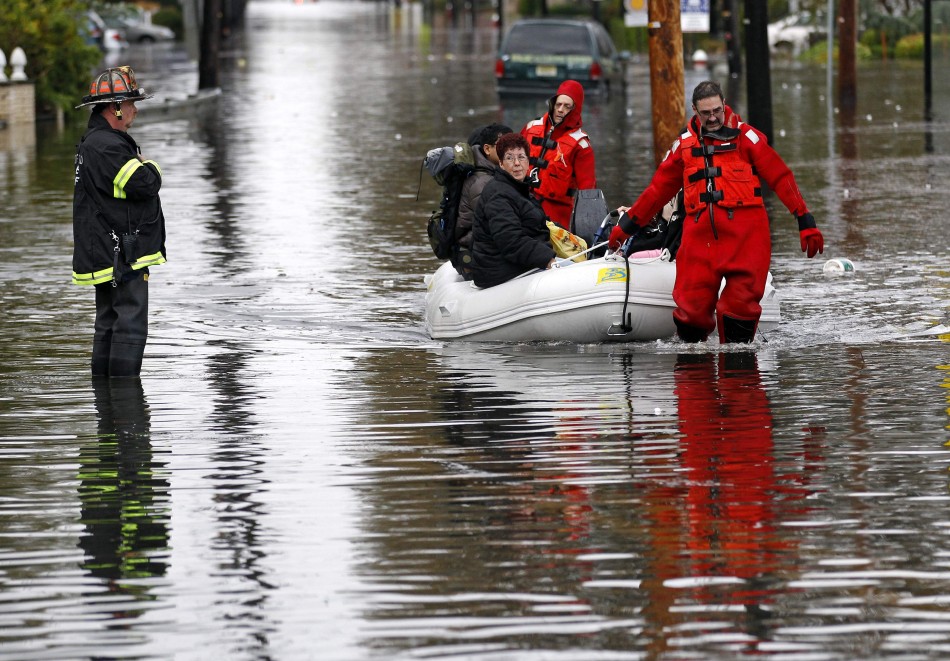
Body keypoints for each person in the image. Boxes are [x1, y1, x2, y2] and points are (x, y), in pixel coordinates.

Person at [609, 80, 824, 344]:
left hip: (746, 241)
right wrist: (625, 228)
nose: (712, 118)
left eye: (717, 111)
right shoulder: (683, 147)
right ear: (694, 111)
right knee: (690, 314)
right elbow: (656, 193)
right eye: (705, 113)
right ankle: (693, 364)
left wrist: (804, 219)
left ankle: (737, 365)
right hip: (700, 244)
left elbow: (781, 177)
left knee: (739, 312)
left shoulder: (747, 138)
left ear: (724, 104)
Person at [72, 66, 167, 376]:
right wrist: (151, 165)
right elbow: (145, 183)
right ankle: (126, 400)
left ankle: (106, 397)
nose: (135, 110)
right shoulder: (109, 146)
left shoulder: (95, 141)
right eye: (130, 103)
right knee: (130, 323)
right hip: (121, 255)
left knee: (108, 322)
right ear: (114, 108)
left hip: (105, 252)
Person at [471, 133, 556, 288]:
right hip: (500, 271)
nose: (517, 163)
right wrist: (548, 259)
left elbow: (536, 223)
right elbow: (510, 241)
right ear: (501, 164)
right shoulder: (498, 194)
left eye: (521, 157)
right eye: (509, 158)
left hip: (517, 265)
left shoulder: (519, 189)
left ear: (528, 161)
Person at [521, 80, 596, 230]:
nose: (561, 110)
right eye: (558, 104)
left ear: (576, 109)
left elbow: (588, 191)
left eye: (567, 106)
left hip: (556, 216)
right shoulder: (531, 128)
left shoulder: (581, 145)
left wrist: (588, 225)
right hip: (523, 203)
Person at [452, 123, 513, 280]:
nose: (509, 151)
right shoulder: (483, 183)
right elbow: (496, 226)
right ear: (487, 149)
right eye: (503, 146)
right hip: (477, 256)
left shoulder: (493, 175)